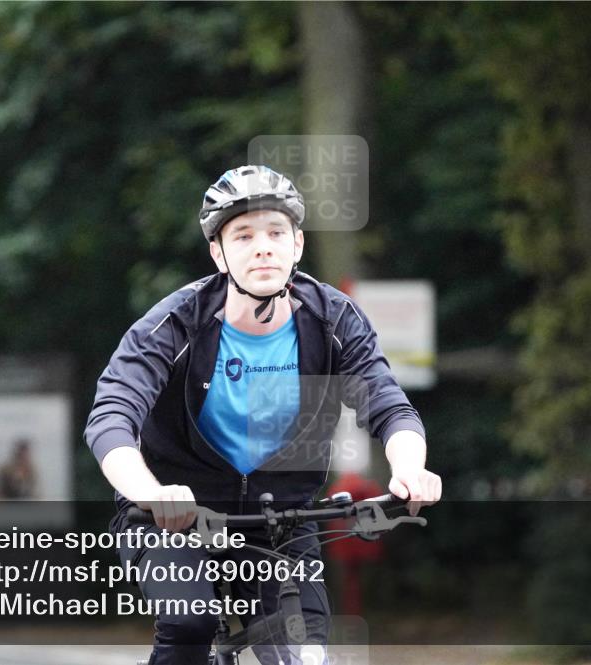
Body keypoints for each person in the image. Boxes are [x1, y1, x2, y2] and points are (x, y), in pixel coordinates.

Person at [85, 165, 442, 665]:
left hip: (283, 521)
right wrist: (150, 493)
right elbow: (111, 416)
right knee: (190, 623)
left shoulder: (334, 319)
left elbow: (387, 405)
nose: (263, 246)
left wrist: (409, 468)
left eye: (276, 232)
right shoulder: (175, 324)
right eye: (244, 235)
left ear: (297, 245)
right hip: (173, 519)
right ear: (218, 253)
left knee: (303, 654)